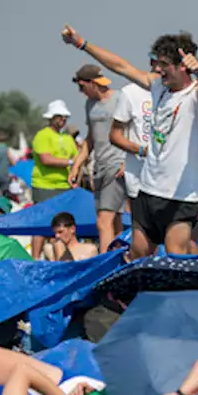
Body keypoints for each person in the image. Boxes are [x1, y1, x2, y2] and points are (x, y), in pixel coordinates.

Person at [62, 25, 198, 259]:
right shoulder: (159, 87)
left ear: (182, 66)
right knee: (139, 252)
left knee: (176, 255)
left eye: (163, 64)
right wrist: (82, 44)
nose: (156, 69)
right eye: (155, 63)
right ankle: (127, 294)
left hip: (181, 197)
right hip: (148, 191)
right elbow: (121, 66)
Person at [69, 64, 128, 253]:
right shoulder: (90, 105)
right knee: (115, 220)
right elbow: (90, 138)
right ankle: (119, 258)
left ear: (93, 83)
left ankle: (103, 264)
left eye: (82, 87)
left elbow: (135, 131)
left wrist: (128, 161)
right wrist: (76, 165)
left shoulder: (120, 99)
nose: (81, 92)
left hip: (116, 164)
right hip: (99, 166)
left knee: (103, 220)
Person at [29, 99, 78, 259]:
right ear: (51, 117)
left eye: (65, 117)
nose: (63, 120)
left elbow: (77, 157)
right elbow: (46, 159)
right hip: (44, 186)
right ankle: (35, 259)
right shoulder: (43, 135)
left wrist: (76, 171)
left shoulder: (68, 138)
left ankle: (60, 258)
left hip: (64, 187)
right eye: (59, 116)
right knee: (42, 225)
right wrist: (71, 162)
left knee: (62, 225)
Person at [108, 80, 151, 214]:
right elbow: (115, 135)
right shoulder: (131, 92)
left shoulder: (187, 92)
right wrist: (141, 150)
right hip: (140, 180)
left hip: (174, 183)